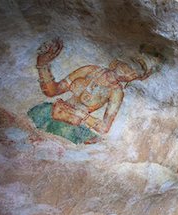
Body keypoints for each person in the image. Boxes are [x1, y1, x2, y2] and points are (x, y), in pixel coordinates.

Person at [29, 38, 159, 144]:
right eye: (129, 65)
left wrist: (82, 115)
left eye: (134, 72)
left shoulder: (116, 92)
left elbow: (104, 128)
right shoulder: (90, 70)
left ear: (135, 77)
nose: (128, 71)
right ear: (120, 60)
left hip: (72, 127)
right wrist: (43, 65)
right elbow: (53, 91)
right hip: (50, 113)